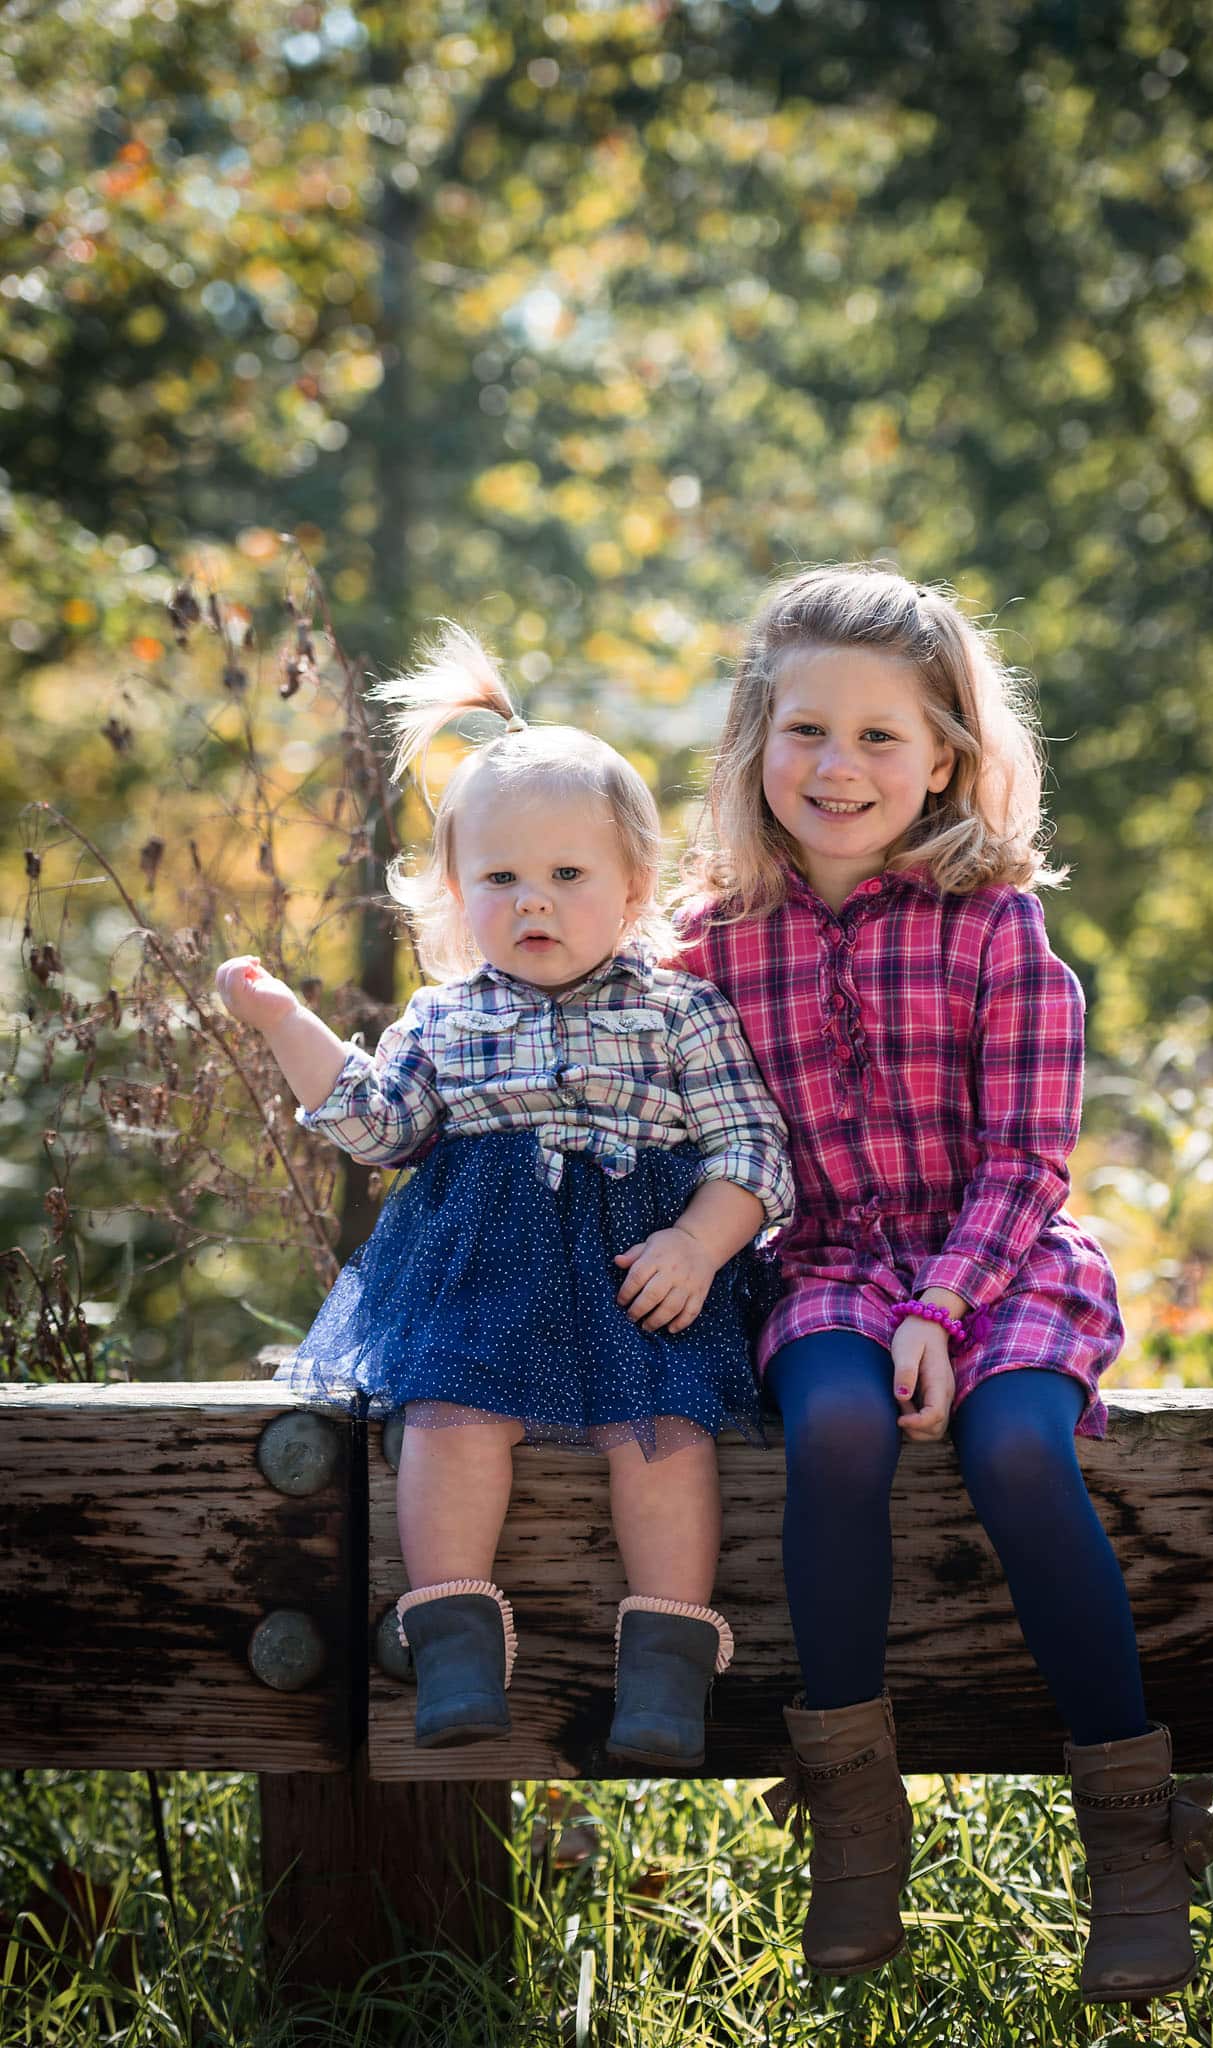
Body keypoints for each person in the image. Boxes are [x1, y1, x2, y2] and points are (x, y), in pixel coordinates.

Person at [669, 564, 1213, 1999]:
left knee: (1019, 1444)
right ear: (752, 741)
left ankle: (1130, 1829)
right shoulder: (708, 947)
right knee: (834, 1428)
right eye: (804, 731)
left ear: (946, 759)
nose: (836, 767)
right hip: (824, 1264)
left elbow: (1028, 1160)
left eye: (876, 737)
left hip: (997, 1251)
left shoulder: (997, 927)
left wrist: (942, 1311)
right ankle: (851, 1816)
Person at [216, 620, 792, 1769]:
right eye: (501, 878)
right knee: (444, 1420)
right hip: (481, 1280)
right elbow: (383, 1124)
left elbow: (752, 1151)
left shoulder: (679, 1012)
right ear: (455, 891)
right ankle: (454, 1639)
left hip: (644, 1283)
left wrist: (698, 1240)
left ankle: (668, 1668)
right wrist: (287, 1025)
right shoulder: (445, 1017)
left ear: (633, 886)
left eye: (567, 875)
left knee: (665, 1436)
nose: (534, 901)